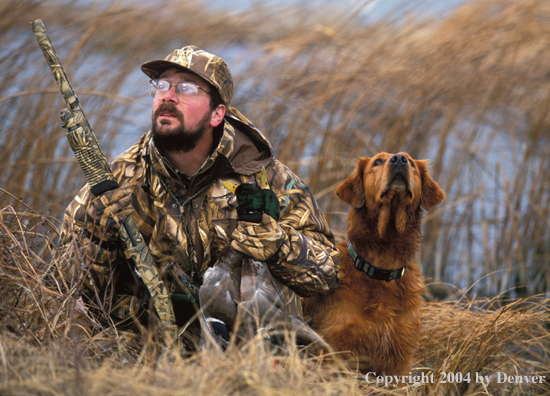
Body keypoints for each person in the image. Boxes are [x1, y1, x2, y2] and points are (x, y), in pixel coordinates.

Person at [59, 46, 340, 347]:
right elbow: (65, 284)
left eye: (187, 89)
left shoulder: (267, 178)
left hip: (248, 350)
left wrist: (279, 244)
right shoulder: (120, 178)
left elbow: (328, 275)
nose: (168, 96)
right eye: (162, 85)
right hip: (150, 346)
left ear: (217, 114)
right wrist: (98, 233)